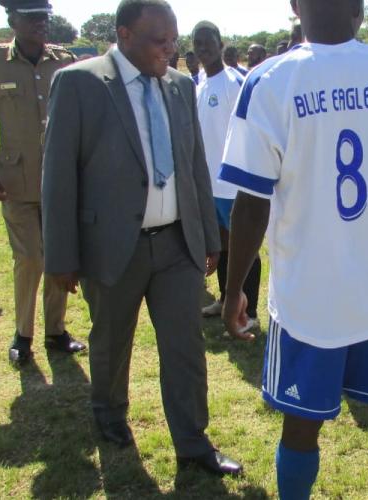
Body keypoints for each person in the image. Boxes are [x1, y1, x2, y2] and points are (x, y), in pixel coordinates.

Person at [220, 0, 368, 497]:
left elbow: (251, 203)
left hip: (308, 299)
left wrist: (233, 287)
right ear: (360, 7)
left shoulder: (269, 80)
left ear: (293, 6)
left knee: (301, 427)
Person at [42, 0, 242, 476]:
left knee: (186, 348)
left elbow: (193, 162)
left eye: (174, 40)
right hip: (112, 247)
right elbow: (58, 176)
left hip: (177, 244)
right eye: (160, 41)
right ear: (125, 35)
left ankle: (192, 441)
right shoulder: (79, 83)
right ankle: (109, 416)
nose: (171, 50)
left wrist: (208, 234)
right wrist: (61, 255)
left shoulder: (178, 85)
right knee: (112, 342)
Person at [0, 0, 84, 364]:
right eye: (32, 17)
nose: (41, 24)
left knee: (57, 256)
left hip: (61, 182)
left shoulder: (64, 61)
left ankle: (56, 331)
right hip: (15, 181)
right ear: (12, 20)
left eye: (44, 17)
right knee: (29, 257)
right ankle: (23, 333)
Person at [193, 21, 261, 333]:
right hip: (210, 183)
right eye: (197, 43)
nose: (203, 48)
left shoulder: (235, 82)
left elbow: (250, 129)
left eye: (208, 42)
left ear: (221, 45)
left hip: (233, 184)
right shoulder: (200, 84)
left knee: (244, 246)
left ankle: (253, 310)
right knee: (221, 243)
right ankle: (225, 299)